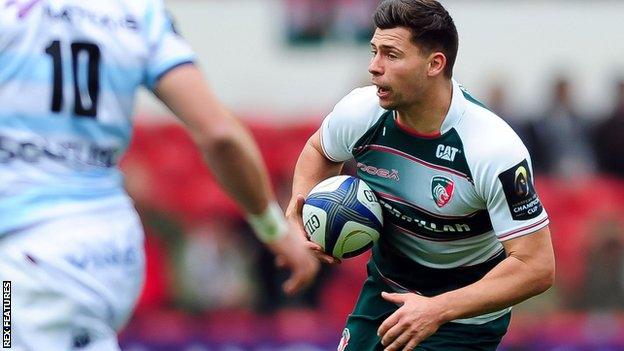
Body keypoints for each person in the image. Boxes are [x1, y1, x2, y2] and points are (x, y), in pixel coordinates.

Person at [0, 1, 318, 350]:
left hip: (27, 254)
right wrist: (273, 229)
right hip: (110, 249)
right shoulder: (138, 13)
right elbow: (220, 134)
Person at [286, 1, 555, 350]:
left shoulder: (493, 149)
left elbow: (536, 266)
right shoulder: (361, 111)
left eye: (391, 55)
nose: (373, 67)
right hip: (385, 292)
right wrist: (301, 213)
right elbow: (320, 150)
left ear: (434, 64)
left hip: (463, 318)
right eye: (373, 51)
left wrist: (437, 309)